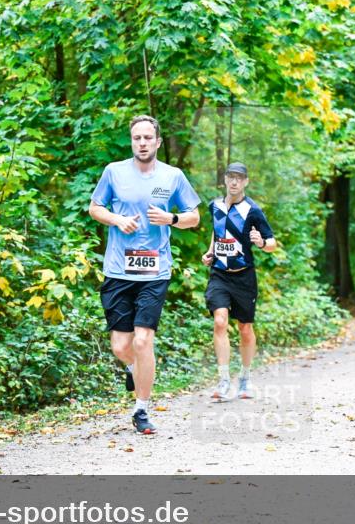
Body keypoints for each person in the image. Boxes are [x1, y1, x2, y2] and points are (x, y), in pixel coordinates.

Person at [88, 115, 201, 434]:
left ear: (158, 142)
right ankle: (135, 369)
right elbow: (95, 208)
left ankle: (141, 409)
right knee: (121, 346)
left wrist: (172, 218)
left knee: (143, 339)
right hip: (118, 270)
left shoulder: (173, 176)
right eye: (137, 137)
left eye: (148, 138)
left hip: (155, 271)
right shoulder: (114, 171)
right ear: (131, 141)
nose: (142, 143)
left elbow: (194, 217)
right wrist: (115, 220)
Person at [201, 162, 276, 402]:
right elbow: (217, 230)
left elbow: (272, 242)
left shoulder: (253, 210)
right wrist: (210, 251)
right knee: (220, 321)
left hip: (244, 277)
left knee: (245, 329)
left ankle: (245, 377)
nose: (234, 182)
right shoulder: (214, 206)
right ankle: (224, 380)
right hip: (220, 274)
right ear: (225, 179)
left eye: (239, 178)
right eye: (231, 177)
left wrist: (261, 242)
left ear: (245, 182)